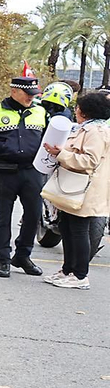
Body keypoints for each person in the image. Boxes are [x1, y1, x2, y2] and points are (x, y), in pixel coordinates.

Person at [0, 75, 49, 278]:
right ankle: (3, 259)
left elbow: (48, 138)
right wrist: (3, 148)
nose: (31, 98)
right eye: (27, 94)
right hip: (5, 171)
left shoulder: (40, 112)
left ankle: (23, 256)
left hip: (32, 171)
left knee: (33, 215)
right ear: (14, 91)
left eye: (34, 94)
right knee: (3, 216)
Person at [41, 90, 110, 288]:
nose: (76, 110)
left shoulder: (95, 132)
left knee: (79, 231)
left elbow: (89, 161)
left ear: (85, 111)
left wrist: (61, 154)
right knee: (67, 229)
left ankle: (80, 275)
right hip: (72, 189)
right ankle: (67, 270)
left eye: (78, 107)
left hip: (84, 190)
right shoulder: (84, 129)